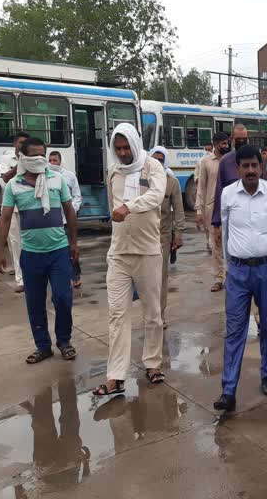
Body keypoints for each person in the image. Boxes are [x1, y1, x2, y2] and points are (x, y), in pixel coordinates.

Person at [93, 123, 167, 396]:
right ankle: (116, 376)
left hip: (147, 251)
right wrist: (120, 211)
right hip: (119, 253)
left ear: (135, 144)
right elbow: (113, 205)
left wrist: (128, 207)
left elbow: (156, 196)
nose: (123, 153)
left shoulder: (152, 167)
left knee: (152, 313)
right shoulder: (114, 170)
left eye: (126, 148)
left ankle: (152, 363)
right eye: (118, 148)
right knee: (117, 315)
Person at [213, 145, 267, 412]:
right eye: (245, 166)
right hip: (239, 272)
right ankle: (228, 390)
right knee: (235, 330)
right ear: (238, 169)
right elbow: (225, 232)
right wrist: (228, 267)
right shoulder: (228, 194)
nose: (251, 170)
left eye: (255, 165)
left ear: (261, 166)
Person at [0, 137, 79, 364]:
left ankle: (64, 341)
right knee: (35, 303)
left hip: (59, 251)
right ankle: (43, 346)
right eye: (34, 155)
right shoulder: (14, 185)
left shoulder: (57, 180)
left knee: (62, 298)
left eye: (43, 155)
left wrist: (73, 243)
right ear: (22, 157)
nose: (40, 159)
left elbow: (69, 211)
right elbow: (4, 219)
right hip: (30, 254)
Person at [0, 131, 31, 292]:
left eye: (25, 143)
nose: (22, 146)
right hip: (12, 208)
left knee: (30, 243)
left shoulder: (32, 158)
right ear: (15, 144)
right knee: (15, 243)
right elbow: (3, 180)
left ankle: (32, 275)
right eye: (20, 143)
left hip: (29, 207)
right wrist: (20, 164)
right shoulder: (5, 160)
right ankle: (21, 280)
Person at [211, 124, 249, 291]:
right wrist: (216, 224)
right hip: (232, 223)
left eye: (245, 139)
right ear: (232, 140)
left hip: (252, 220)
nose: (242, 142)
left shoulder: (252, 159)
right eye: (239, 139)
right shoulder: (226, 162)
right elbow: (219, 192)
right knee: (233, 258)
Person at [152, 147, 185, 330]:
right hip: (144, 236)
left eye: (160, 159)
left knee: (161, 278)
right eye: (154, 158)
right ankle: (150, 313)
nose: (157, 162)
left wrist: (178, 234)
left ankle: (160, 316)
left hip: (163, 238)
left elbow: (179, 211)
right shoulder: (143, 180)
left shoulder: (171, 183)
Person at [196, 132, 229, 290]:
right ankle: (218, 278)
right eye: (222, 144)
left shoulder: (231, 159)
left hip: (230, 207)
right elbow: (201, 187)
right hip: (212, 208)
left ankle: (230, 275)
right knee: (215, 244)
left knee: (229, 243)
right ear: (215, 144)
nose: (226, 146)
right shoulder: (206, 162)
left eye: (227, 143)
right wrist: (199, 211)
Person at [48, 151, 83, 287]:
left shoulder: (69, 176)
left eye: (55, 160)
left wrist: (71, 209)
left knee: (71, 248)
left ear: (60, 161)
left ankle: (75, 276)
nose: (52, 163)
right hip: (54, 220)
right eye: (50, 160)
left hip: (68, 220)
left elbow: (77, 196)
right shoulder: (46, 177)